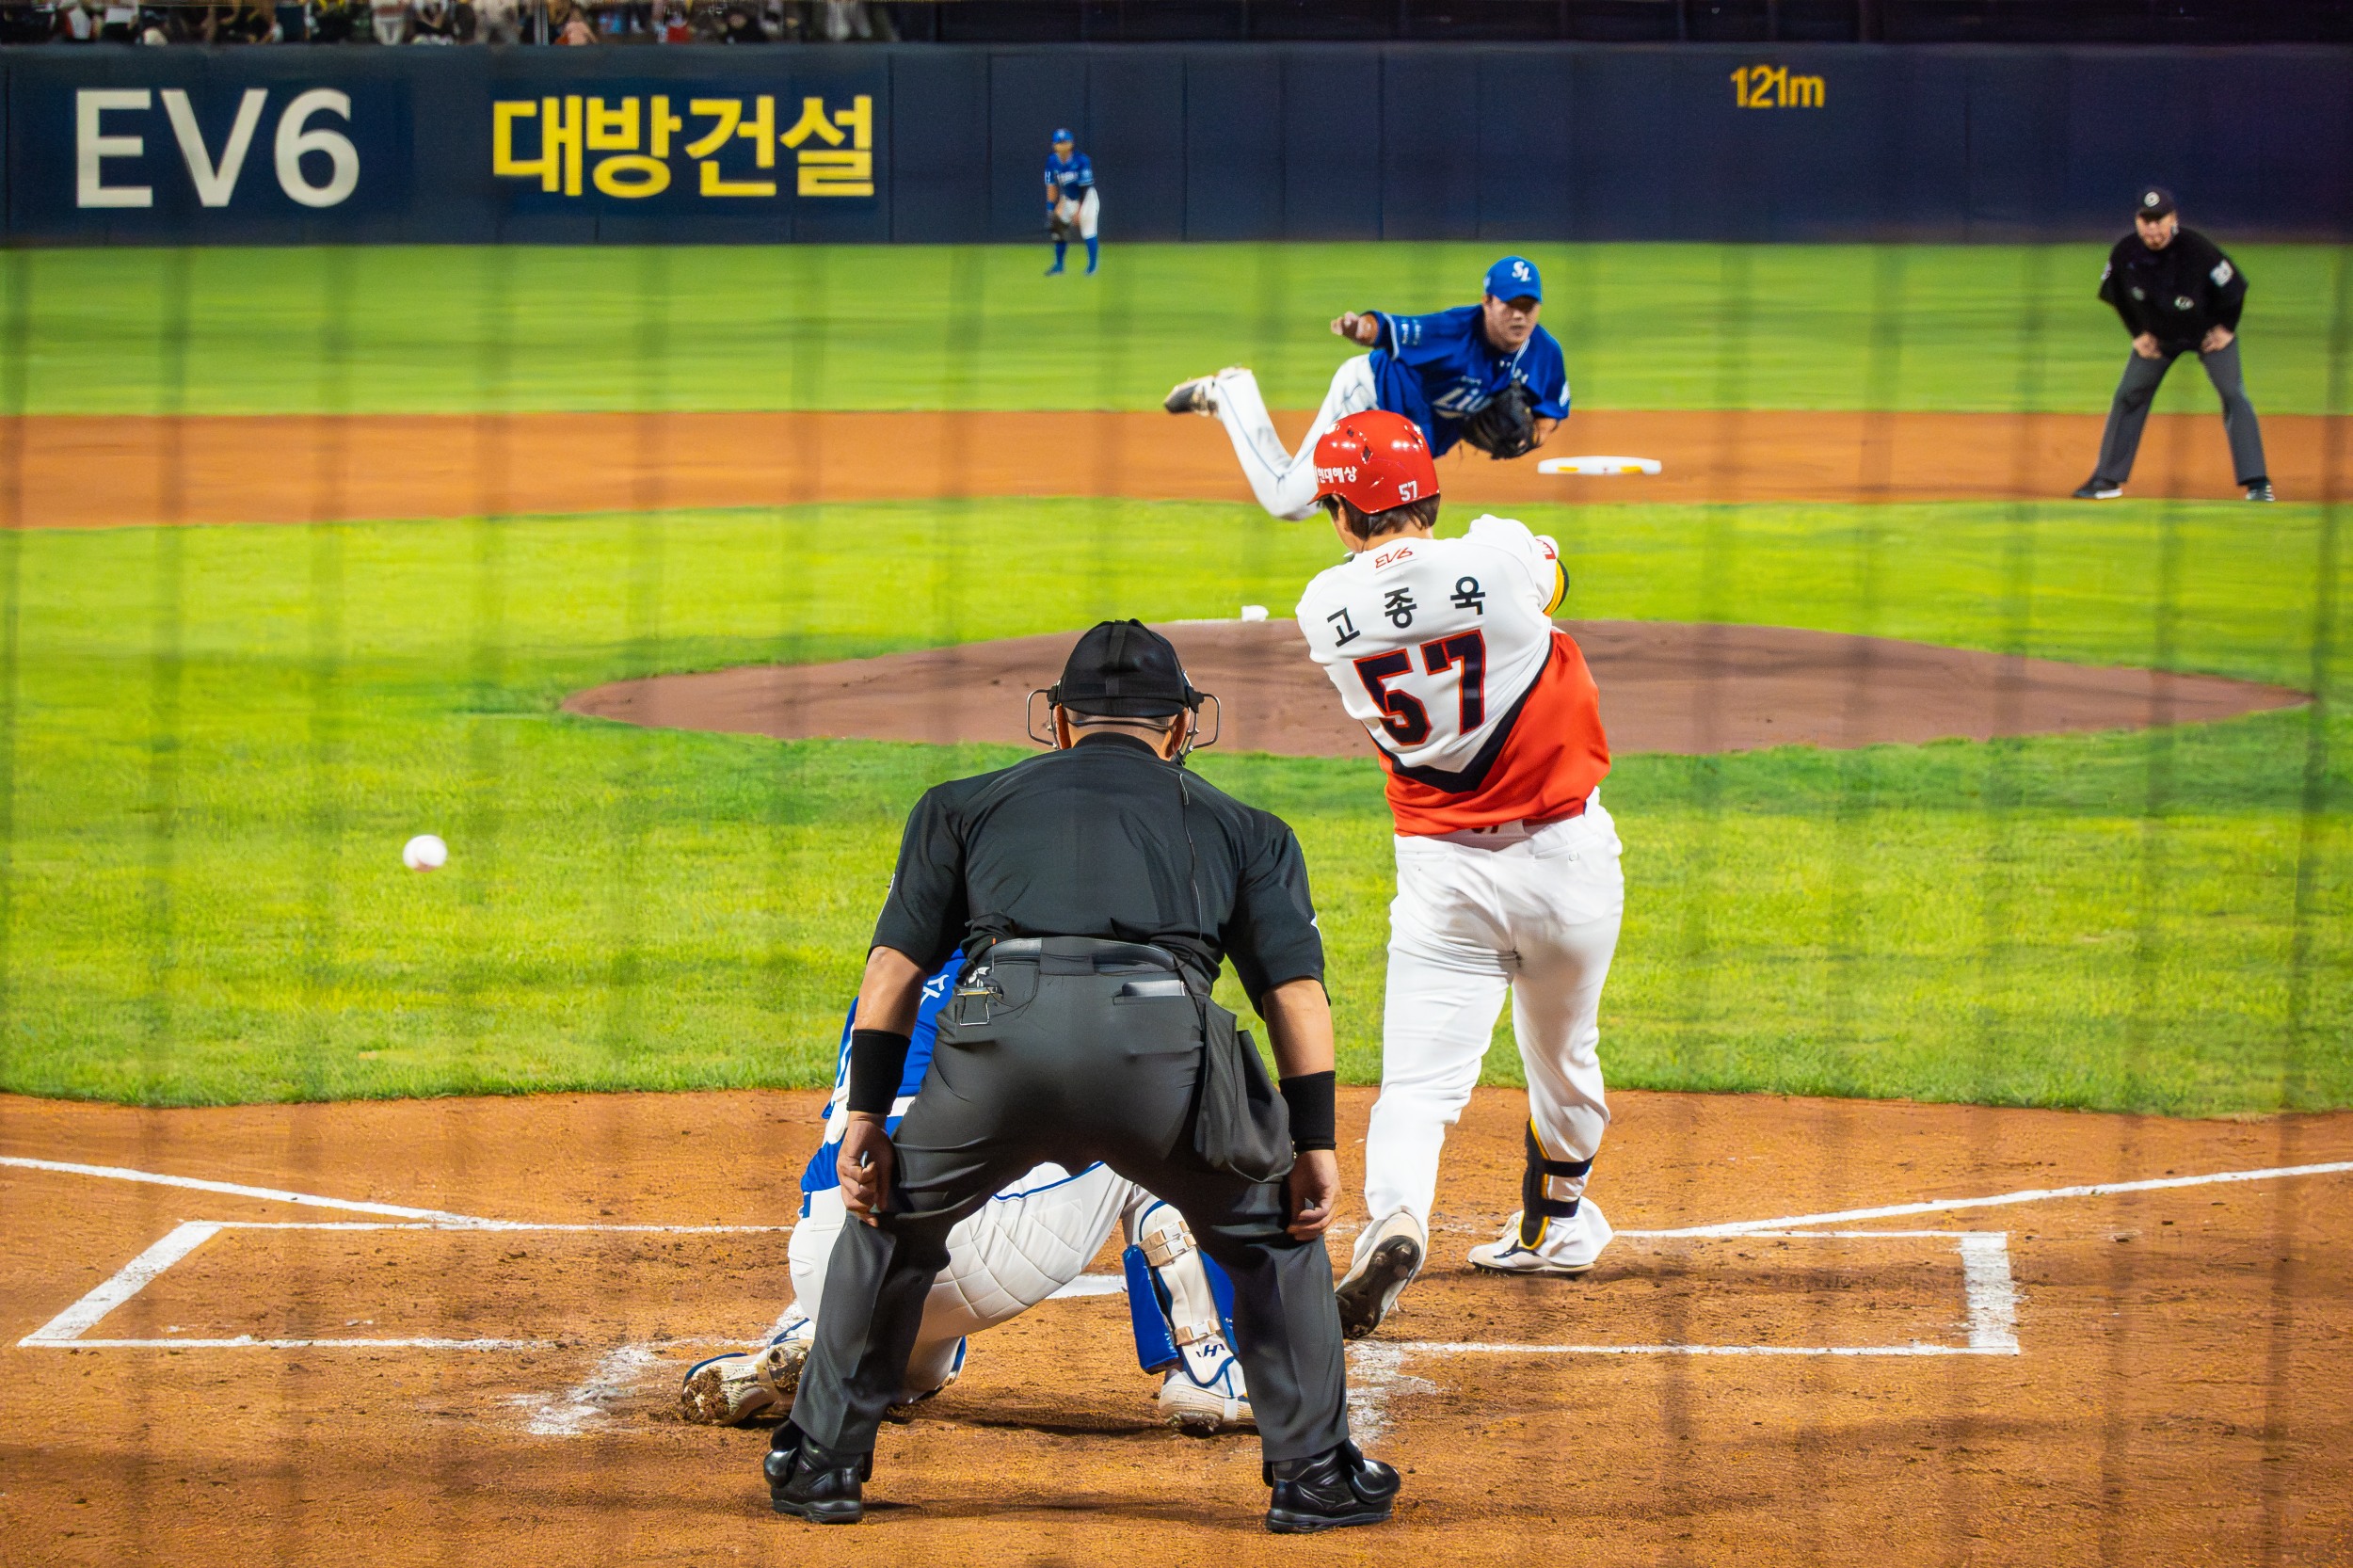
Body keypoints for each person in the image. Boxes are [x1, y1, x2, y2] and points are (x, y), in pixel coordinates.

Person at [764, 621, 1396, 1533]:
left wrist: (867, 1116)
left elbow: (891, 975)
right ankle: (1314, 1477)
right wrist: (1314, 1144)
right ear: (1180, 727)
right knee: (1274, 1236)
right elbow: (1293, 997)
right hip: (1160, 1048)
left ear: (1058, 722)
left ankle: (823, 1465)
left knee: (890, 1223)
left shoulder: (958, 805)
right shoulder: (1246, 827)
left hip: (996, 1044)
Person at [1290, 410, 1624, 1340]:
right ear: (1430, 493)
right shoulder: (1500, 554)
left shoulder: (1323, 609)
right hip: (1566, 865)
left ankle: (1396, 1220)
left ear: (1341, 513)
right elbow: (1554, 579)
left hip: (1442, 877)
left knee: (1418, 1086)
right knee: (1566, 1055)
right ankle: (1556, 1225)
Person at [680, 952, 1255, 1436]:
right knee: (1159, 1121)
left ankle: (826, 1343)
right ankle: (1207, 1366)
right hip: (957, 1257)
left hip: (825, 1260)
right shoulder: (1030, 968)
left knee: (920, 1369)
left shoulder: (885, 977)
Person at [1165, 255, 1568, 520]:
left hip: (1406, 440)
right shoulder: (1454, 330)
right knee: (1288, 501)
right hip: (1366, 398)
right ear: (1487, 301)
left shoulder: (1544, 353)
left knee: (1395, 517)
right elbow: (1389, 329)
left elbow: (1550, 411)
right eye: (1509, 305)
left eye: (1528, 306)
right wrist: (1359, 328)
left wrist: (1531, 439)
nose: (1519, 316)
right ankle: (1233, 394)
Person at [2076, 186, 2273, 504]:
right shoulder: (2125, 252)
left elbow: (2235, 288)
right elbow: (2117, 295)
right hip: (2160, 338)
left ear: (2173, 219)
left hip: (2207, 335)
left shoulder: (2198, 250)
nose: (2153, 227)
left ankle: (2258, 483)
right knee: (2129, 395)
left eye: (2159, 219)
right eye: (2146, 220)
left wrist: (2226, 329)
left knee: (2233, 393)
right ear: (2137, 221)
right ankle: (2106, 479)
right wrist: (2138, 333)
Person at [1043, 129, 1099, 277]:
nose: (1062, 146)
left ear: (1071, 144)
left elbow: (1084, 188)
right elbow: (1051, 186)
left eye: (1065, 142)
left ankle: (1092, 266)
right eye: (1059, 143)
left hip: (1087, 198)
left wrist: (1079, 212)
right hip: (1068, 198)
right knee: (1058, 229)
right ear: (1054, 145)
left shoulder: (1082, 160)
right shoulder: (1052, 161)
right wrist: (1050, 209)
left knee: (1088, 228)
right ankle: (1059, 265)